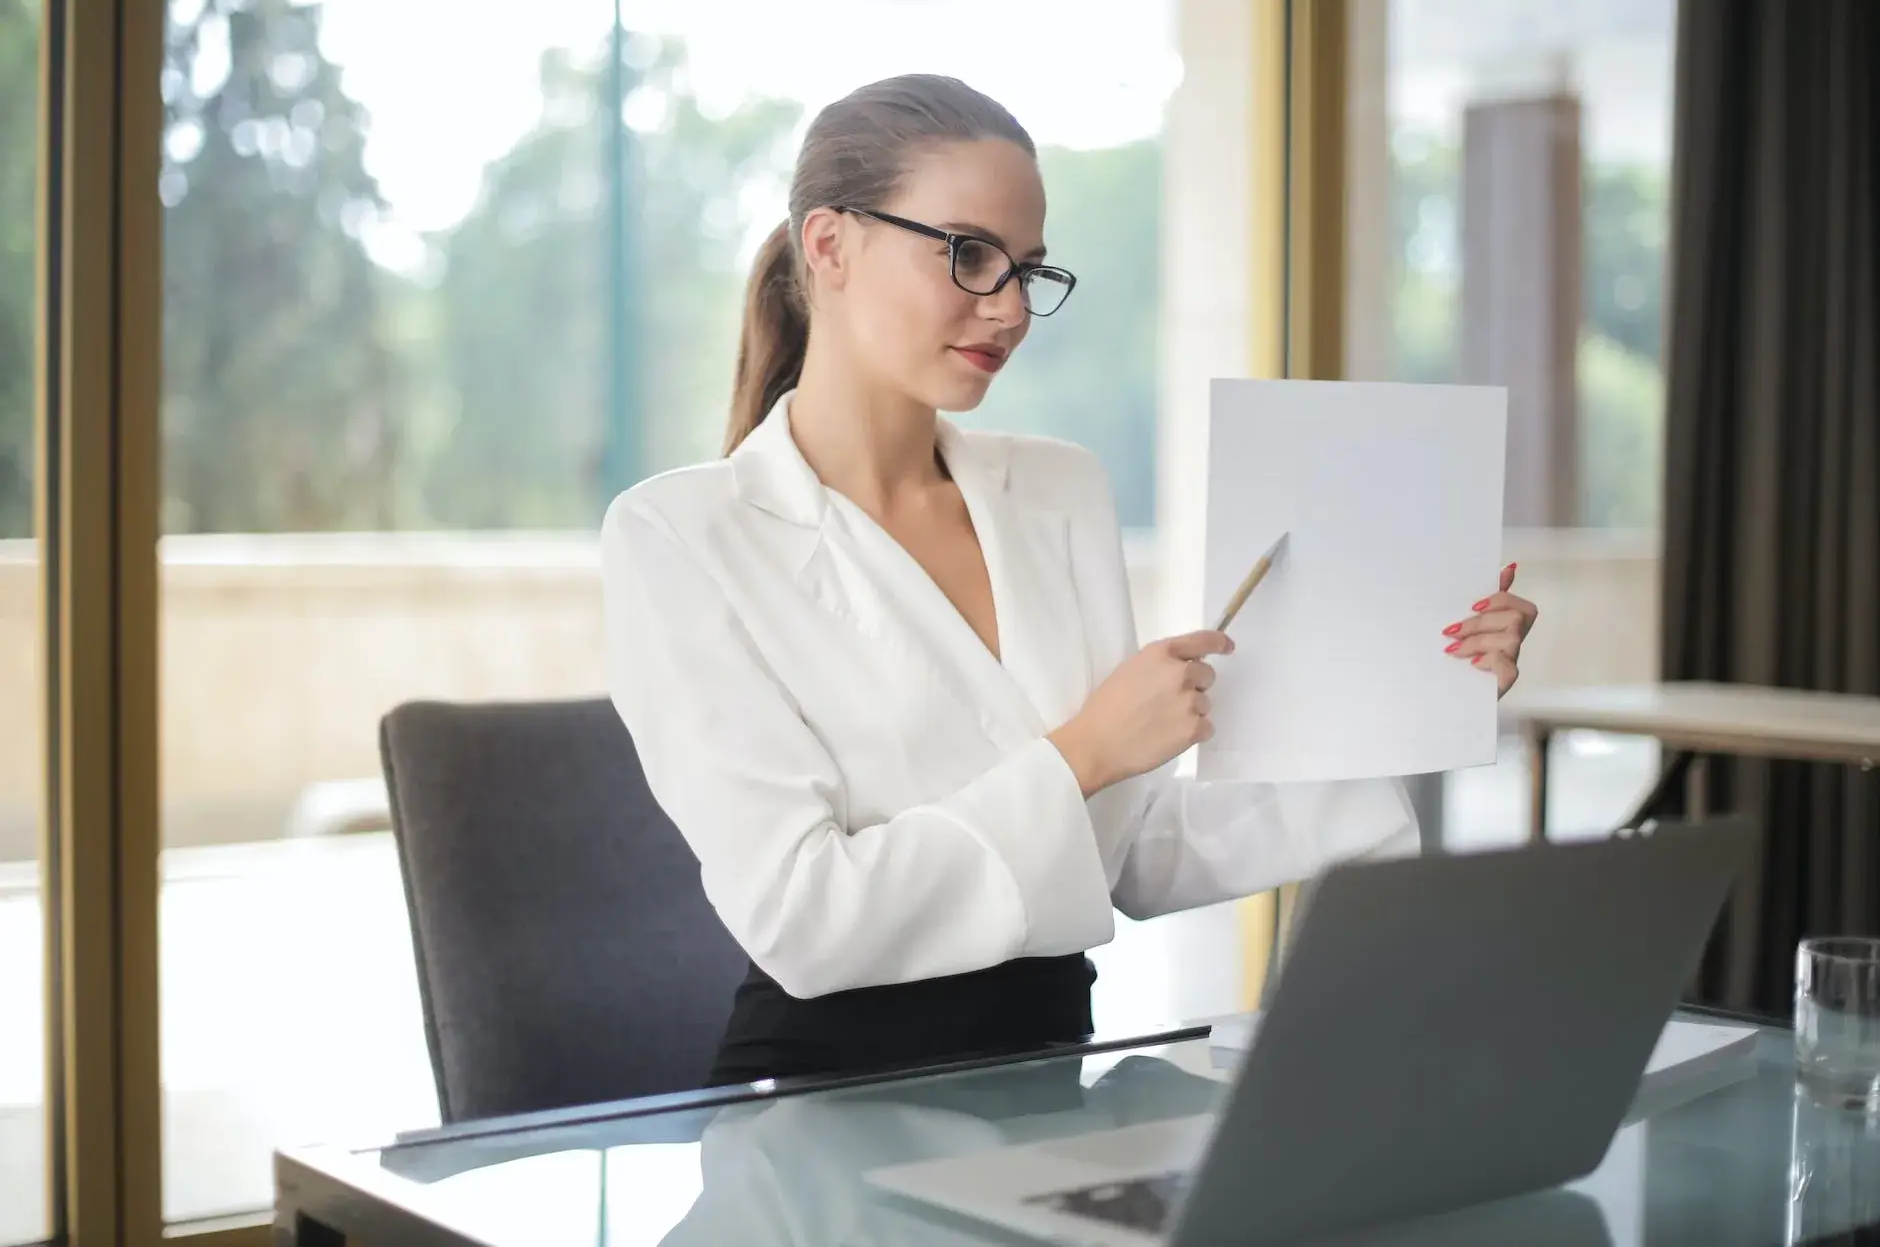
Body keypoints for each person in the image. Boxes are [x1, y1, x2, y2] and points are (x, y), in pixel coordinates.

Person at [602, 74, 1538, 1087]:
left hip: (1051, 1074)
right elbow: (803, 918)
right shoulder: (681, 536)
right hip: (826, 1103)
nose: (1006, 308)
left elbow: (1129, 851)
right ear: (828, 245)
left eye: (1027, 270)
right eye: (966, 255)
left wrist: (1416, 704)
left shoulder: (1056, 490)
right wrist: (1085, 749)